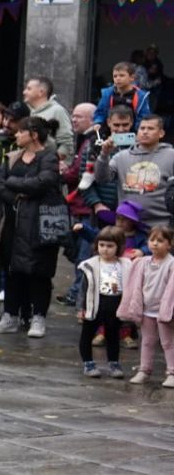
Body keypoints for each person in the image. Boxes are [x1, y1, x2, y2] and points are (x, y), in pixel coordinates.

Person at [0, 117, 66, 339]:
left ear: (33, 134)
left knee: (39, 272)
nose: (16, 135)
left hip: (40, 224)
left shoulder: (49, 157)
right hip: (13, 222)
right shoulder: (13, 157)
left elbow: (43, 182)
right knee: (12, 269)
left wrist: (14, 183)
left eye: (20, 132)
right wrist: (16, 197)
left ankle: (38, 317)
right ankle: (10, 316)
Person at [96, 113, 172, 231]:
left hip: (161, 226)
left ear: (161, 133)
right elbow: (101, 178)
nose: (145, 132)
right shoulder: (121, 156)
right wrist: (104, 154)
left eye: (150, 128)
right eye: (142, 128)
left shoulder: (171, 155)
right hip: (127, 225)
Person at [122, 225, 174, 386]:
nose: (155, 244)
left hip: (164, 311)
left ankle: (172, 372)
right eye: (152, 240)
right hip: (147, 310)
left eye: (160, 240)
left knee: (168, 342)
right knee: (147, 341)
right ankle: (144, 370)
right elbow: (135, 285)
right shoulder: (143, 262)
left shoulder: (171, 264)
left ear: (170, 244)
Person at [78, 226, 132, 378]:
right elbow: (84, 288)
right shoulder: (91, 265)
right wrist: (81, 307)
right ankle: (88, 363)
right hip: (95, 303)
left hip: (115, 303)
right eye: (102, 245)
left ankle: (114, 363)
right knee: (87, 334)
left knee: (113, 334)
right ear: (96, 245)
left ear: (119, 247)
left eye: (110, 246)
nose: (105, 249)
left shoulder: (125, 265)